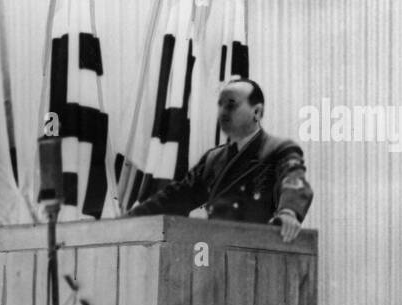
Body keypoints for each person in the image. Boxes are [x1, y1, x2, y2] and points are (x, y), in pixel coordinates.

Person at [128, 79, 312, 241]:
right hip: (216, 251)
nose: (223, 112)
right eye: (221, 104)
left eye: (231, 105)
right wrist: (130, 219)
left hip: (257, 251)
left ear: (256, 112)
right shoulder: (212, 159)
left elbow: (294, 181)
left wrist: (289, 212)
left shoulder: (278, 149)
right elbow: (175, 196)